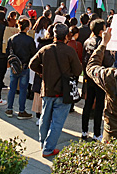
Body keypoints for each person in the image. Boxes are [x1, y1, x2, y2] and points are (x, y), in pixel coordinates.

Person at [30, 23, 83, 158]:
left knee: (44, 118)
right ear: (66, 36)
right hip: (63, 91)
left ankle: (43, 143)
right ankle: (48, 149)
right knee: (57, 123)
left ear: (54, 35)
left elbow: (32, 64)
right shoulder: (69, 51)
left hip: (47, 89)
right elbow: (78, 71)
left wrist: (42, 72)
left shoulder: (45, 49)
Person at [82, 19, 115, 141]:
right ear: (101, 31)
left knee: (88, 103)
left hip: (89, 77)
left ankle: (84, 131)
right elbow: (108, 62)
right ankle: (96, 133)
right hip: (100, 77)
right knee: (99, 105)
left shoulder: (87, 41)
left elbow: (83, 59)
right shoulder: (103, 44)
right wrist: (112, 55)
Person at [5, 17, 36, 119]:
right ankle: (21, 111)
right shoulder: (30, 40)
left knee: (12, 88)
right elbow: (33, 54)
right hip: (25, 66)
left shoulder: (12, 38)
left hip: (14, 66)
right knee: (23, 90)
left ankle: (9, 109)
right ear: (27, 28)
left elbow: (8, 52)